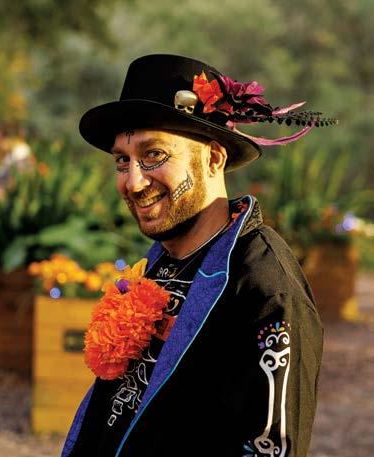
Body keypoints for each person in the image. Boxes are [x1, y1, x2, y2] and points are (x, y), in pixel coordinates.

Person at [61, 54, 336, 457]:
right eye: (123, 160)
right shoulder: (158, 262)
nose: (133, 182)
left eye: (154, 155)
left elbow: (272, 448)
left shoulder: (265, 289)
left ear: (213, 158)